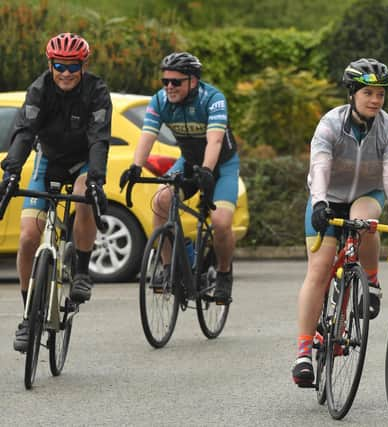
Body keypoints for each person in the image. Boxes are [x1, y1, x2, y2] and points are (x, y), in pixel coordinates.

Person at [291, 58, 388, 387]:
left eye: (381, 94)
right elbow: (320, 167)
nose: (375, 100)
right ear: (353, 93)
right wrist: (318, 203)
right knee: (318, 269)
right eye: (368, 92)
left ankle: (370, 282)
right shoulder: (330, 124)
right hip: (328, 195)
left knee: (363, 219)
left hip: (367, 193)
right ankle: (303, 353)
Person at [0, 33, 111, 352]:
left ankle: (81, 272)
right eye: (59, 65)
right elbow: (24, 131)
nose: (65, 72)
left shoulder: (96, 90)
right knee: (27, 237)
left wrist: (96, 178)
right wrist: (12, 170)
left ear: (84, 65)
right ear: (50, 63)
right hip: (48, 160)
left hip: (82, 162)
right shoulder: (39, 89)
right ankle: (27, 315)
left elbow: (99, 138)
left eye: (73, 65)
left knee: (83, 195)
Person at [119, 52, 239, 305]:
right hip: (189, 163)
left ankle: (224, 272)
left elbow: (215, 139)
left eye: (176, 82)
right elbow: (147, 135)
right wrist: (135, 166)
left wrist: (207, 170)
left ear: (193, 81)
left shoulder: (213, 99)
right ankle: (167, 266)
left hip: (222, 166)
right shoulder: (160, 101)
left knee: (220, 222)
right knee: (162, 201)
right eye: (165, 81)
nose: (169, 87)